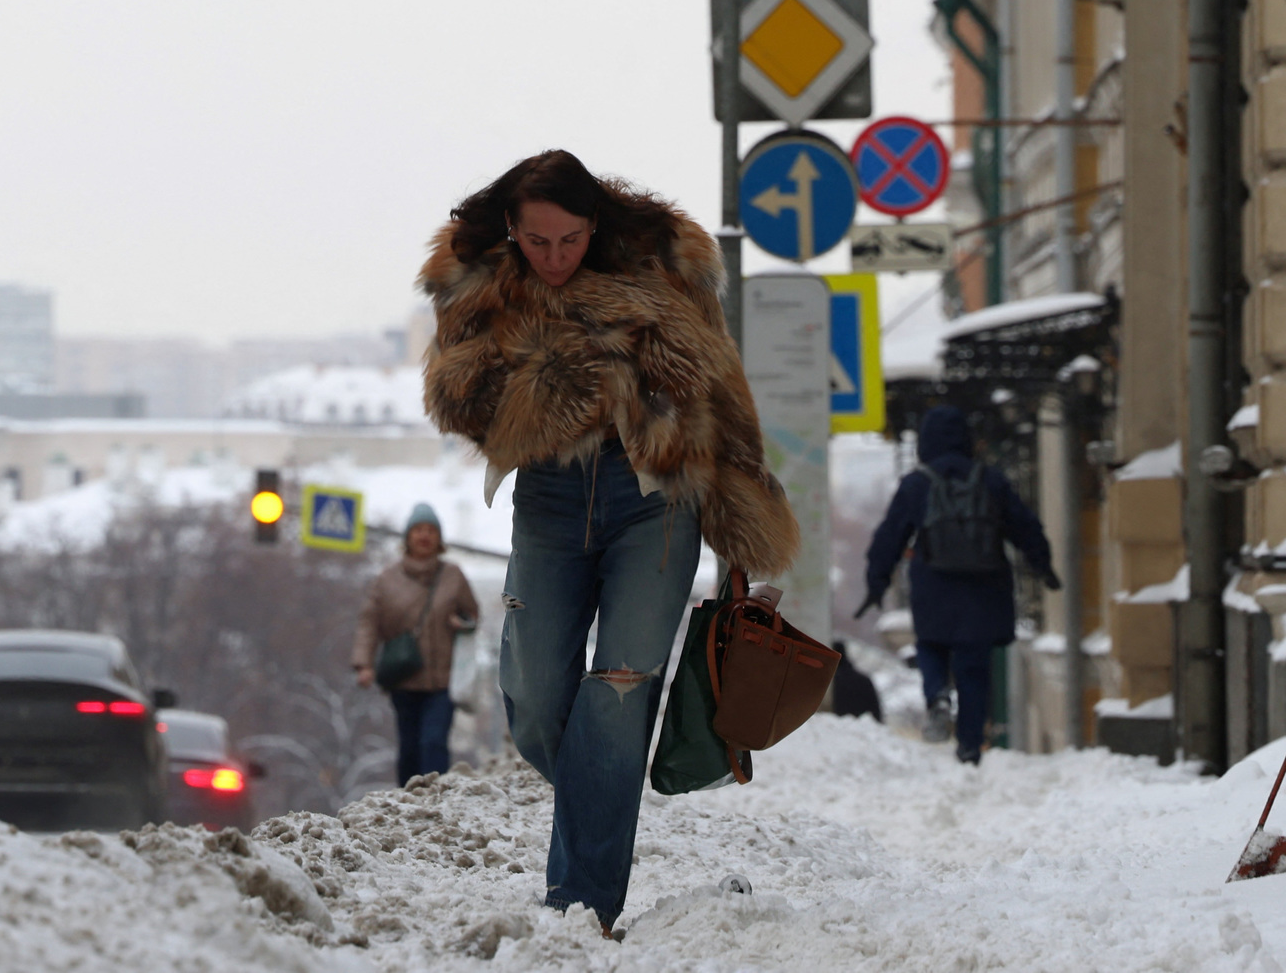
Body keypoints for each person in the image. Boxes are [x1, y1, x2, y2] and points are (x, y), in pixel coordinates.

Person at [422, 149, 798, 935]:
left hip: (653, 498)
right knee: (532, 698)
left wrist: (742, 501)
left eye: (570, 240)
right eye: (538, 241)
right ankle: (605, 800)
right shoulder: (479, 278)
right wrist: (568, 370)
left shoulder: (667, 263)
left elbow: (720, 381)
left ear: (596, 224)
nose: (554, 258)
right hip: (550, 499)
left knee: (620, 692)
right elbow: (458, 399)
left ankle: (580, 907)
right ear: (512, 231)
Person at [859, 402, 1057, 764]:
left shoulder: (917, 484)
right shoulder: (990, 479)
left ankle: (936, 695)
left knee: (931, 646)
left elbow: (890, 537)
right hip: (984, 586)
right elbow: (1024, 526)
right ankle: (968, 747)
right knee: (973, 666)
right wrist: (1044, 566)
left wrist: (877, 581)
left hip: (934, 585)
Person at [353, 502, 481, 784]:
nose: (425, 536)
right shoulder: (387, 580)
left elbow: (472, 613)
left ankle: (437, 801)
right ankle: (407, 804)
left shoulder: (453, 576)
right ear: (407, 537)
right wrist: (364, 664)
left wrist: (463, 622)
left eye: (431, 530)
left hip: (442, 681)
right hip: (404, 678)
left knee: (433, 742)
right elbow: (369, 623)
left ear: (440, 539)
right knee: (409, 746)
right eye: (419, 529)